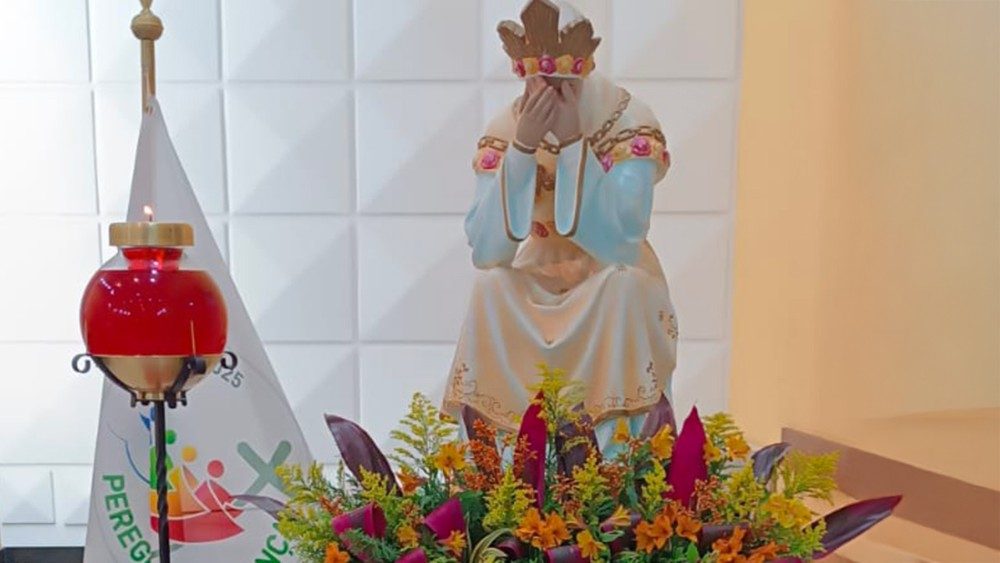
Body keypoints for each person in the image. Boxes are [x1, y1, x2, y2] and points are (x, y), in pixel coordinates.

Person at [442, 0, 678, 448]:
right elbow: (487, 251)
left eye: (561, 84)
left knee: (624, 287)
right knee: (491, 286)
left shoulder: (627, 121)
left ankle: (612, 457)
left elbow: (623, 244)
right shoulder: (508, 126)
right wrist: (523, 147)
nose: (547, 93)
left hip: (608, 275)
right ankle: (502, 461)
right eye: (537, 83)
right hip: (540, 269)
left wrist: (573, 143)